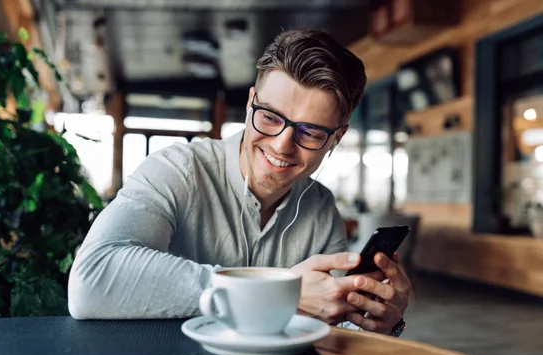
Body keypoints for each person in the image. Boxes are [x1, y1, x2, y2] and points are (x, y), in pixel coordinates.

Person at [68, 28, 411, 336]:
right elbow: (92, 280)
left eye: (310, 131)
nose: (281, 145)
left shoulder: (321, 209)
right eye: (269, 117)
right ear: (250, 104)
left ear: (337, 137)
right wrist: (278, 292)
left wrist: (378, 321)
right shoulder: (178, 170)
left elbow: (331, 323)